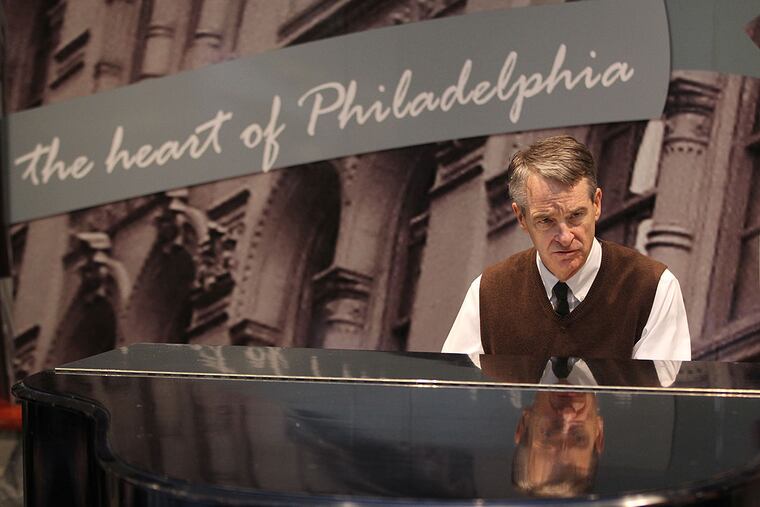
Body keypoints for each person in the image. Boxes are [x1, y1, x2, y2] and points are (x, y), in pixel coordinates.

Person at [442, 135, 690, 360]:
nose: (565, 236)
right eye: (546, 221)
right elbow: (452, 394)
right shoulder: (488, 293)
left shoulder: (654, 287)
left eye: (575, 216)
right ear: (521, 219)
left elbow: (659, 401)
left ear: (596, 204)